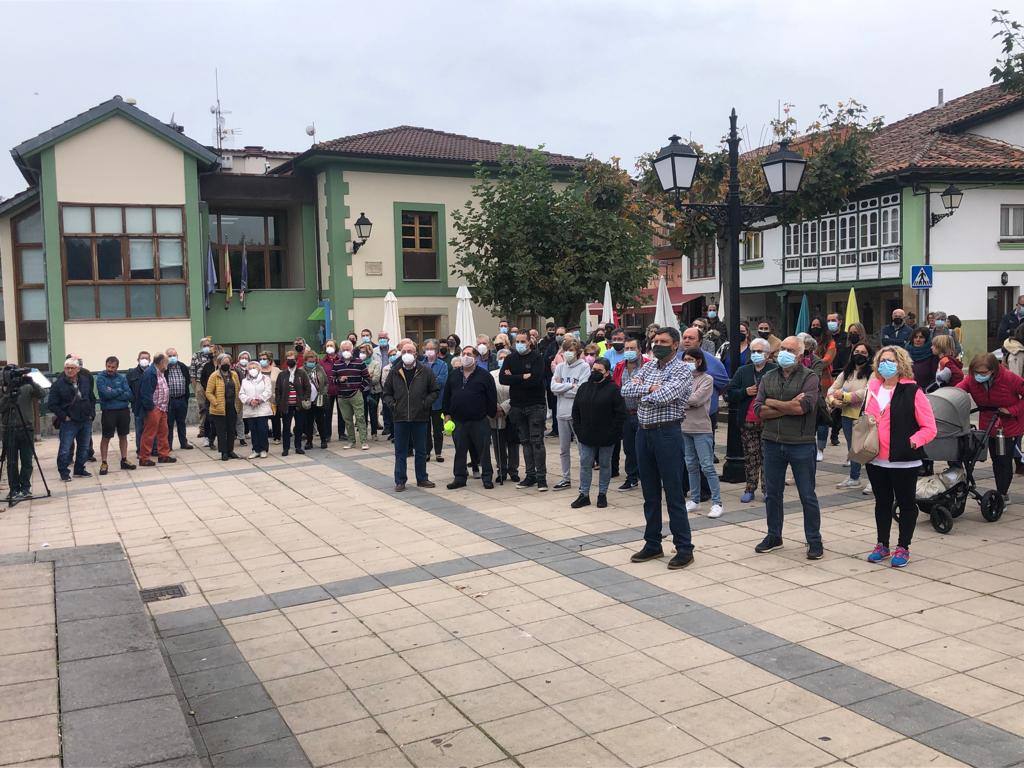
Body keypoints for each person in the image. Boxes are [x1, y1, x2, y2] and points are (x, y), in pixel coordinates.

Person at [621, 327, 695, 569]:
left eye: (663, 341)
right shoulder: (649, 366)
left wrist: (648, 391)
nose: (657, 344)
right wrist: (648, 389)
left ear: (675, 345)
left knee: (673, 492)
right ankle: (653, 543)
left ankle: (684, 547)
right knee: (649, 492)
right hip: (644, 432)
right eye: (655, 340)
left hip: (667, 432)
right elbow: (626, 390)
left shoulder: (683, 369)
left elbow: (666, 396)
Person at [862, 346, 937, 568]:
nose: (886, 364)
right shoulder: (873, 387)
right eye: (882, 360)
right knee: (881, 503)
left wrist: (912, 442)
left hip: (904, 460)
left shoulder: (913, 391)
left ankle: (903, 547)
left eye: (891, 361)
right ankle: (882, 544)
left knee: (906, 504)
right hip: (876, 458)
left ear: (901, 364)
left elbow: (930, 428)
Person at [752, 335, 824, 560]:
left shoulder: (809, 377)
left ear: (800, 355)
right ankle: (774, 536)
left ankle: (814, 540)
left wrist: (772, 403)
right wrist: (786, 405)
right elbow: (758, 409)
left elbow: (804, 407)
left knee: (807, 495)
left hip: (800, 443)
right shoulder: (769, 376)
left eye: (790, 350)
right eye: (782, 348)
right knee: (772, 494)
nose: (784, 352)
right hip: (772, 441)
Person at [958, 353, 1024, 503]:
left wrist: (1012, 410)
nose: (979, 376)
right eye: (976, 372)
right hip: (988, 422)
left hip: (1008, 424)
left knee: (1004, 460)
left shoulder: (1009, 378)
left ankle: (1002, 493)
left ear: (993, 370)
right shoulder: (971, 379)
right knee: (995, 458)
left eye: (983, 373)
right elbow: (958, 391)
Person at [569, 357, 626, 509]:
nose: (595, 373)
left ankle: (602, 494)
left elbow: (620, 414)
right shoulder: (584, 388)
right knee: (585, 463)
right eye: (594, 369)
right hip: (586, 434)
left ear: (607, 373)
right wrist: (579, 430)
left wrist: (614, 432)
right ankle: (584, 494)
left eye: (599, 371)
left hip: (607, 436)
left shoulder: (614, 389)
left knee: (605, 465)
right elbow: (576, 411)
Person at [384, 339, 440, 491]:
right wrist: (393, 405)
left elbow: (434, 390)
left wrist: (425, 404)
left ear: (416, 354)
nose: (406, 354)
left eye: (410, 352)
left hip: (420, 417)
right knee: (400, 451)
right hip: (400, 417)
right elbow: (387, 393)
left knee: (421, 450)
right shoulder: (395, 372)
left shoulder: (425, 371)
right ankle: (400, 480)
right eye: (403, 352)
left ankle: (422, 478)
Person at [727, 337, 777, 503]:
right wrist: (744, 392)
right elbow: (730, 393)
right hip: (747, 421)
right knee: (751, 457)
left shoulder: (774, 370)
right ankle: (750, 488)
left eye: (759, 351)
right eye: (753, 351)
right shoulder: (743, 371)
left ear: (768, 354)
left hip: (768, 421)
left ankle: (767, 489)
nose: (756, 354)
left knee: (767, 457)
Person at [443, 345, 498, 490]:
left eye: (469, 354)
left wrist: (491, 413)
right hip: (458, 420)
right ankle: (460, 477)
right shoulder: (454, 375)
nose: (466, 356)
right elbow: (447, 396)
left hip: (479, 420)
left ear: (476, 357)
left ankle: (487, 477)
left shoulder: (485, 376)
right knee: (460, 450)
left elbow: (491, 397)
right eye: (464, 353)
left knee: (483, 451)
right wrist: (447, 414)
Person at [681, 347, 724, 518]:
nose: (687, 363)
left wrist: (679, 400)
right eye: (685, 359)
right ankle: (695, 499)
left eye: (690, 360)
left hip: (701, 428)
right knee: (690, 464)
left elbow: (696, 400)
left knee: (707, 466)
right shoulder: (681, 379)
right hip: (684, 427)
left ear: (699, 361)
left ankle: (717, 502)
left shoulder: (707, 379)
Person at [502, 332, 548, 491]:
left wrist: (514, 377)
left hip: (535, 405)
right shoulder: (509, 358)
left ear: (529, 342)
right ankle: (530, 475)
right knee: (525, 442)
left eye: (523, 341)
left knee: (537, 442)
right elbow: (503, 379)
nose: (520, 344)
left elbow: (536, 380)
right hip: (517, 406)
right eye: (517, 341)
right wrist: (523, 377)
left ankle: (541, 477)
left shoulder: (537, 358)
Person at [828, 341, 873, 490]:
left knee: (867, 448)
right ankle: (854, 477)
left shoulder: (872, 372)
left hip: (864, 415)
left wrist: (845, 396)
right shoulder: (846, 372)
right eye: (856, 351)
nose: (859, 355)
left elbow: (866, 392)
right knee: (852, 448)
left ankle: (874, 480)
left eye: (863, 352)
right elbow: (832, 388)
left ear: (869, 355)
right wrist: (833, 400)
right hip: (847, 415)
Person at [550, 336, 590, 491]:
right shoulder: (560, 367)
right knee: (563, 449)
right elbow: (553, 387)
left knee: (582, 449)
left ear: (577, 351)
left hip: (577, 413)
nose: (568, 353)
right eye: (565, 350)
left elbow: (581, 390)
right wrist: (569, 386)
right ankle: (565, 478)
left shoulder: (584, 367)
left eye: (571, 350)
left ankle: (584, 479)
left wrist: (563, 388)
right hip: (561, 412)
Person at [48, 358, 96, 481]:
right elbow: (52, 404)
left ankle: (79, 469)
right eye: (67, 368)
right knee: (65, 448)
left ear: (78, 369)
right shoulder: (58, 384)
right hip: (69, 421)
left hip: (85, 419)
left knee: (84, 447)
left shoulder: (84, 380)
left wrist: (92, 413)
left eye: (72, 368)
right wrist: (64, 416)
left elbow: (91, 398)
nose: (69, 370)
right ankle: (64, 472)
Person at [2, 369, 43, 499]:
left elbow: (42, 393)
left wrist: (32, 382)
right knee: (11, 462)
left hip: (26, 428)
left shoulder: (27, 387)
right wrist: (9, 394)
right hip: (9, 429)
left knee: (27, 461)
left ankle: (25, 487)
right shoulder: (3, 390)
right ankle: (14, 489)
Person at [613, 337, 647, 492]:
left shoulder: (648, 365)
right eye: (626, 348)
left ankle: (647, 476)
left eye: (632, 348)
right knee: (628, 448)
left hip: (644, 413)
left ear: (639, 350)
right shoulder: (620, 366)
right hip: (626, 413)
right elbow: (616, 387)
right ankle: (631, 478)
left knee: (645, 447)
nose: (629, 351)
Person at [95, 356, 135, 475]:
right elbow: (105, 394)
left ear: (117, 367)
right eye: (108, 366)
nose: (110, 369)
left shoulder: (121, 378)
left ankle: (124, 460)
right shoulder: (100, 378)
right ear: (105, 365)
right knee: (106, 437)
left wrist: (113, 392)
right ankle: (104, 462)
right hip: (108, 412)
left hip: (123, 411)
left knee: (123, 435)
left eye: (113, 367)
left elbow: (129, 395)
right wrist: (119, 391)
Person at [138, 354, 176, 467]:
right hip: (154, 408)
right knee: (149, 434)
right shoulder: (150, 373)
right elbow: (145, 393)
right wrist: (151, 408)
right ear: (160, 363)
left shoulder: (161, 373)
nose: (167, 365)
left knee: (163, 432)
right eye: (166, 362)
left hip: (163, 407)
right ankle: (144, 458)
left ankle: (163, 455)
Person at [333, 340, 370, 450]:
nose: (346, 352)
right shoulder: (337, 363)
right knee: (347, 420)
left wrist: (360, 389)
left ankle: (363, 441)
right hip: (342, 396)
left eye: (347, 349)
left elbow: (367, 378)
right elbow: (332, 380)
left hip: (356, 394)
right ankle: (351, 441)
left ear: (352, 350)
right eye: (343, 350)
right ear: (340, 351)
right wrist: (339, 379)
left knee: (360, 418)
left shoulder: (359, 362)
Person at [491, 348, 520, 483]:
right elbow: (488, 393)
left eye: (505, 358)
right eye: (500, 358)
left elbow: (517, 393)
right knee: (498, 443)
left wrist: (504, 407)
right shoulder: (491, 375)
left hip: (512, 411)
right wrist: (495, 406)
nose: (502, 360)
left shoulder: (516, 373)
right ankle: (501, 469)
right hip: (496, 413)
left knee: (513, 443)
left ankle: (513, 470)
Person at [799, 334, 830, 462]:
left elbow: (814, 377)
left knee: (823, 421)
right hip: (797, 396)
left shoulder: (816, 361)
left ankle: (820, 449)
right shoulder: (795, 358)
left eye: (805, 346)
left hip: (814, 395)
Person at [206, 353, 242, 461]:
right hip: (219, 408)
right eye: (224, 363)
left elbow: (238, 389)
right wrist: (215, 402)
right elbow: (208, 392)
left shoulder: (234, 375)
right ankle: (223, 452)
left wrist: (239, 403)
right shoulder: (214, 375)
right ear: (219, 363)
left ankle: (230, 450)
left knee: (231, 429)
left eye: (228, 362)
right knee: (221, 431)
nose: (226, 364)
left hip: (232, 406)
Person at [275, 350, 311, 457]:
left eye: (292, 359)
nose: (290, 361)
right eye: (288, 359)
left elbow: (307, 388)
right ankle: (286, 448)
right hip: (286, 405)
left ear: (296, 360)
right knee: (286, 427)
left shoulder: (301, 373)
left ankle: (298, 447)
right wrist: (279, 402)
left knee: (299, 427)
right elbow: (278, 389)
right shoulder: (282, 374)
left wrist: (304, 399)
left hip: (299, 405)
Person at [240, 360, 272, 459]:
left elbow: (268, 391)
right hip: (250, 410)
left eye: (254, 368)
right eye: (250, 368)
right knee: (253, 430)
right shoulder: (244, 381)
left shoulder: (265, 378)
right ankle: (255, 449)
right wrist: (250, 401)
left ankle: (263, 449)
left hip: (262, 409)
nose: (252, 370)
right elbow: (241, 394)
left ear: (259, 369)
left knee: (262, 429)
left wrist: (259, 400)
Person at [423, 339, 449, 461]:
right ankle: (427, 451)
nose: (429, 351)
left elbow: (441, 381)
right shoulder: (421, 364)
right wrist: (432, 380)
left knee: (438, 429)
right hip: (424, 402)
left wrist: (428, 382)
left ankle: (438, 452)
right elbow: (418, 382)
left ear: (437, 350)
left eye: (432, 349)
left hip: (438, 402)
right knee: (425, 429)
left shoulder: (442, 365)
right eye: (427, 349)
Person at [163, 347, 193, 451]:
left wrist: (185, 398)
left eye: (174, 355)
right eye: (170, 356)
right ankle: (168, 445)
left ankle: (183, 443)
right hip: (169, 401)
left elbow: (188, 380)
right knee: (169, 424)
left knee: (181, 422)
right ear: (166, 357)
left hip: (181, 399)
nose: (172, 358)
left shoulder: (183, 367)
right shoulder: (164, 368)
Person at [127, 350, 152, 455]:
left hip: (151, 405)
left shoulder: (153, 372)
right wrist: (133, 400)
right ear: (138, 360)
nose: (144, 360)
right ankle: (140, 451)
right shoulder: (132, 373)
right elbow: (127, 389)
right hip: (138, 406)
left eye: (146, 358)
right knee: (140, 430)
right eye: (142, 358)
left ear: (150, 360)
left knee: (151, 429)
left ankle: (152, 450)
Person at [302, 350, 329, 450]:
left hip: (319, 399)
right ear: (305, 360)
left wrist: (323, 392)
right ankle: (309, 441)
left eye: (313, 361)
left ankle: (323, 440)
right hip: (307, 400)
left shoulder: (320, 369)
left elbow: (326, 382)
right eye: (309, 360)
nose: (311, 362)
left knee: (321, 421)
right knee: (308, 422)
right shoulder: (301, 370)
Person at [190, 337, 213, 441]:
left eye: (208, 345)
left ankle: (213, 427)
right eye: (204, 346)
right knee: (202, 406)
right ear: (201, 346)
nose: (206, 347)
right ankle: (202, 429)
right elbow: (193, 372)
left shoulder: (213, 355)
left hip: (212, 383)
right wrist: (195, 387)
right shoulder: (196, 355)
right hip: (200, 383)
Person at [322, 339, 344, 444]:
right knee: (327, 413)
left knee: (342, 413)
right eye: (327, 345)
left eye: (331, 345)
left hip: (340, 390)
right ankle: (327, 435)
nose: (329, 347)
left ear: (336, 347)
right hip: (327, 391)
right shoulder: (322, 362)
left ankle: (342, 433)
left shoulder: (341, 360)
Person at [360, 342, 382, 440]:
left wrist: (365, 378)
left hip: (373, 392)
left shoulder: (375, 363)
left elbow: (375, 379)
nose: (362, 353)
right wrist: (369, 375)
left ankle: (374, 433)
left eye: (364, 352)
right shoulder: (359, 363)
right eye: (361, 352)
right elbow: (357, 378)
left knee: (373, 413)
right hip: (361, 391)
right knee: (362, 413)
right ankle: (363, 433)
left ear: (369, 352)